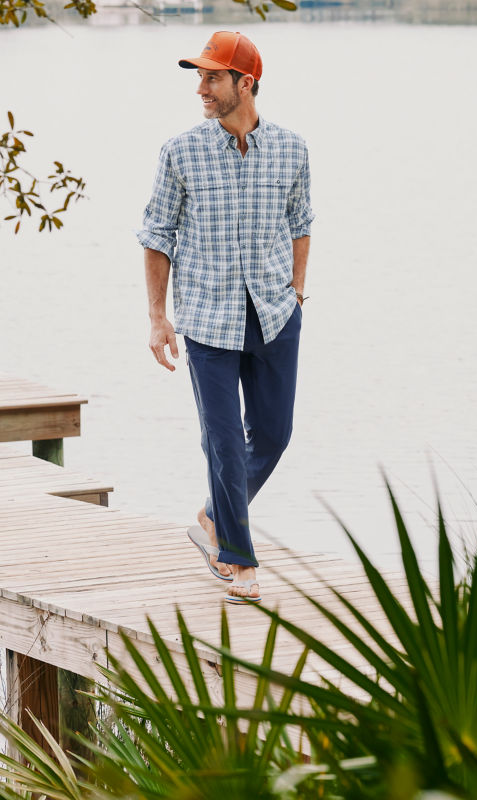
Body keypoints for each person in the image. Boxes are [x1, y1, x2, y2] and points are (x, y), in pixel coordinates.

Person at [137, 30, 314, 604]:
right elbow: (156, 236)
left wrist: (297, 290)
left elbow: (301, 221)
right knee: (223, 440)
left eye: (212, 77)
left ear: (246, 82)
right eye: (200, 76)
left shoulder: (292, 149)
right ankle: (236, 559)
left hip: (273, 313)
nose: (201, 88)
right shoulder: (180, 152)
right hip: (208, 321)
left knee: (274, 434)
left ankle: (213, 517)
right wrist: (158, 318)